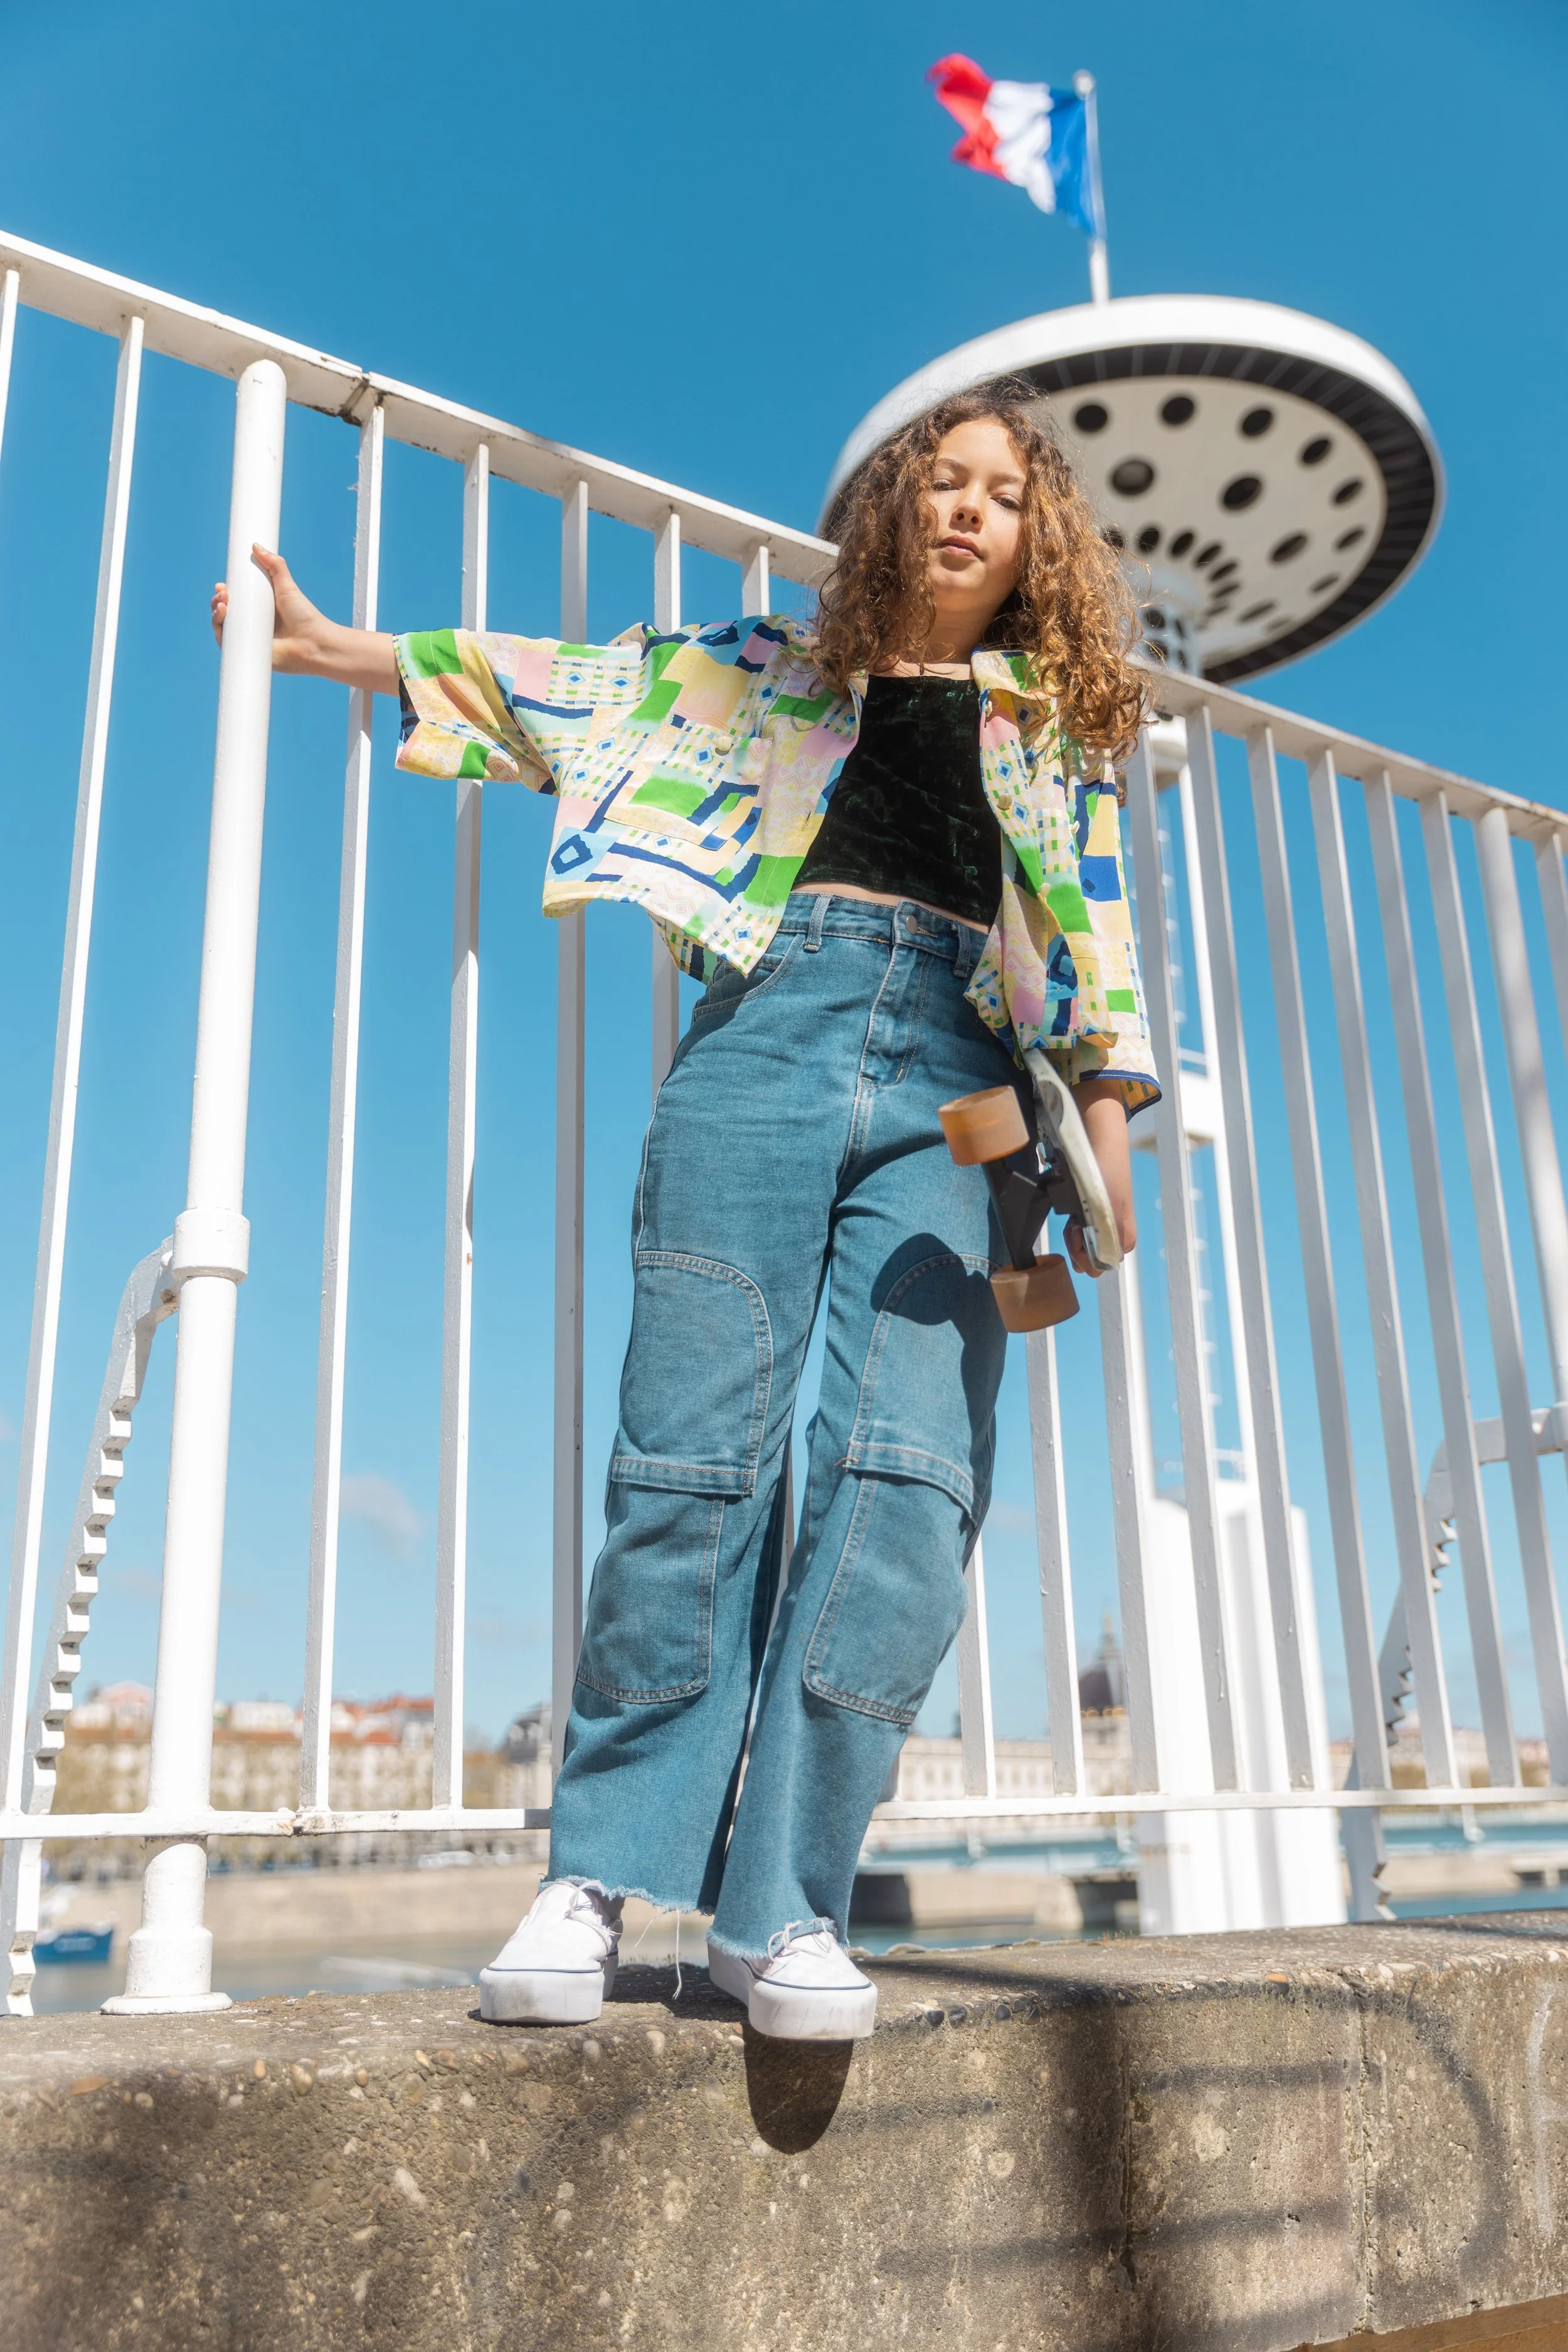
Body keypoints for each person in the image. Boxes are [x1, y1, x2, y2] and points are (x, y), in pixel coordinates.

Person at [211, 379, 1158, 2043]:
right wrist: (326, 645)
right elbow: (552, 686)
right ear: (889, 513)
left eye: (1001, 496)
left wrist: (1104, 1120)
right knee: (691, 1454)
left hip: (968, 1083)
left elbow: (1089, 935)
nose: (964, 510)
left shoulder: (1050, 724)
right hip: (771, 1041)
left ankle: (782, 1900)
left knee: (908, 1483)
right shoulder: (760, 670)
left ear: (1036, 545)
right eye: (939, 481)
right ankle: (596, 1873)